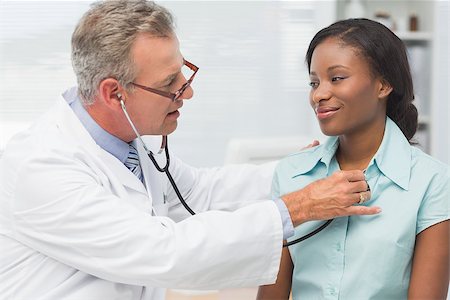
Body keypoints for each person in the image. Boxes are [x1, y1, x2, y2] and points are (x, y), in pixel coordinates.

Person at [0, 3, 379, 299]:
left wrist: (297, 170)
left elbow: (199, 192)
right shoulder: (42, 169)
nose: (187, 91)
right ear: (114, 93)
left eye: (183, 71)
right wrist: (298, 207)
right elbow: (165, 252)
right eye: (170, 83)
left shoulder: (128, 144)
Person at [257, 18, 449, 300]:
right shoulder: (292, 174)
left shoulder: (432, 182)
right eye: (314, 82)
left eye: (337, 78)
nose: (319, 95)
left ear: (383, 85)